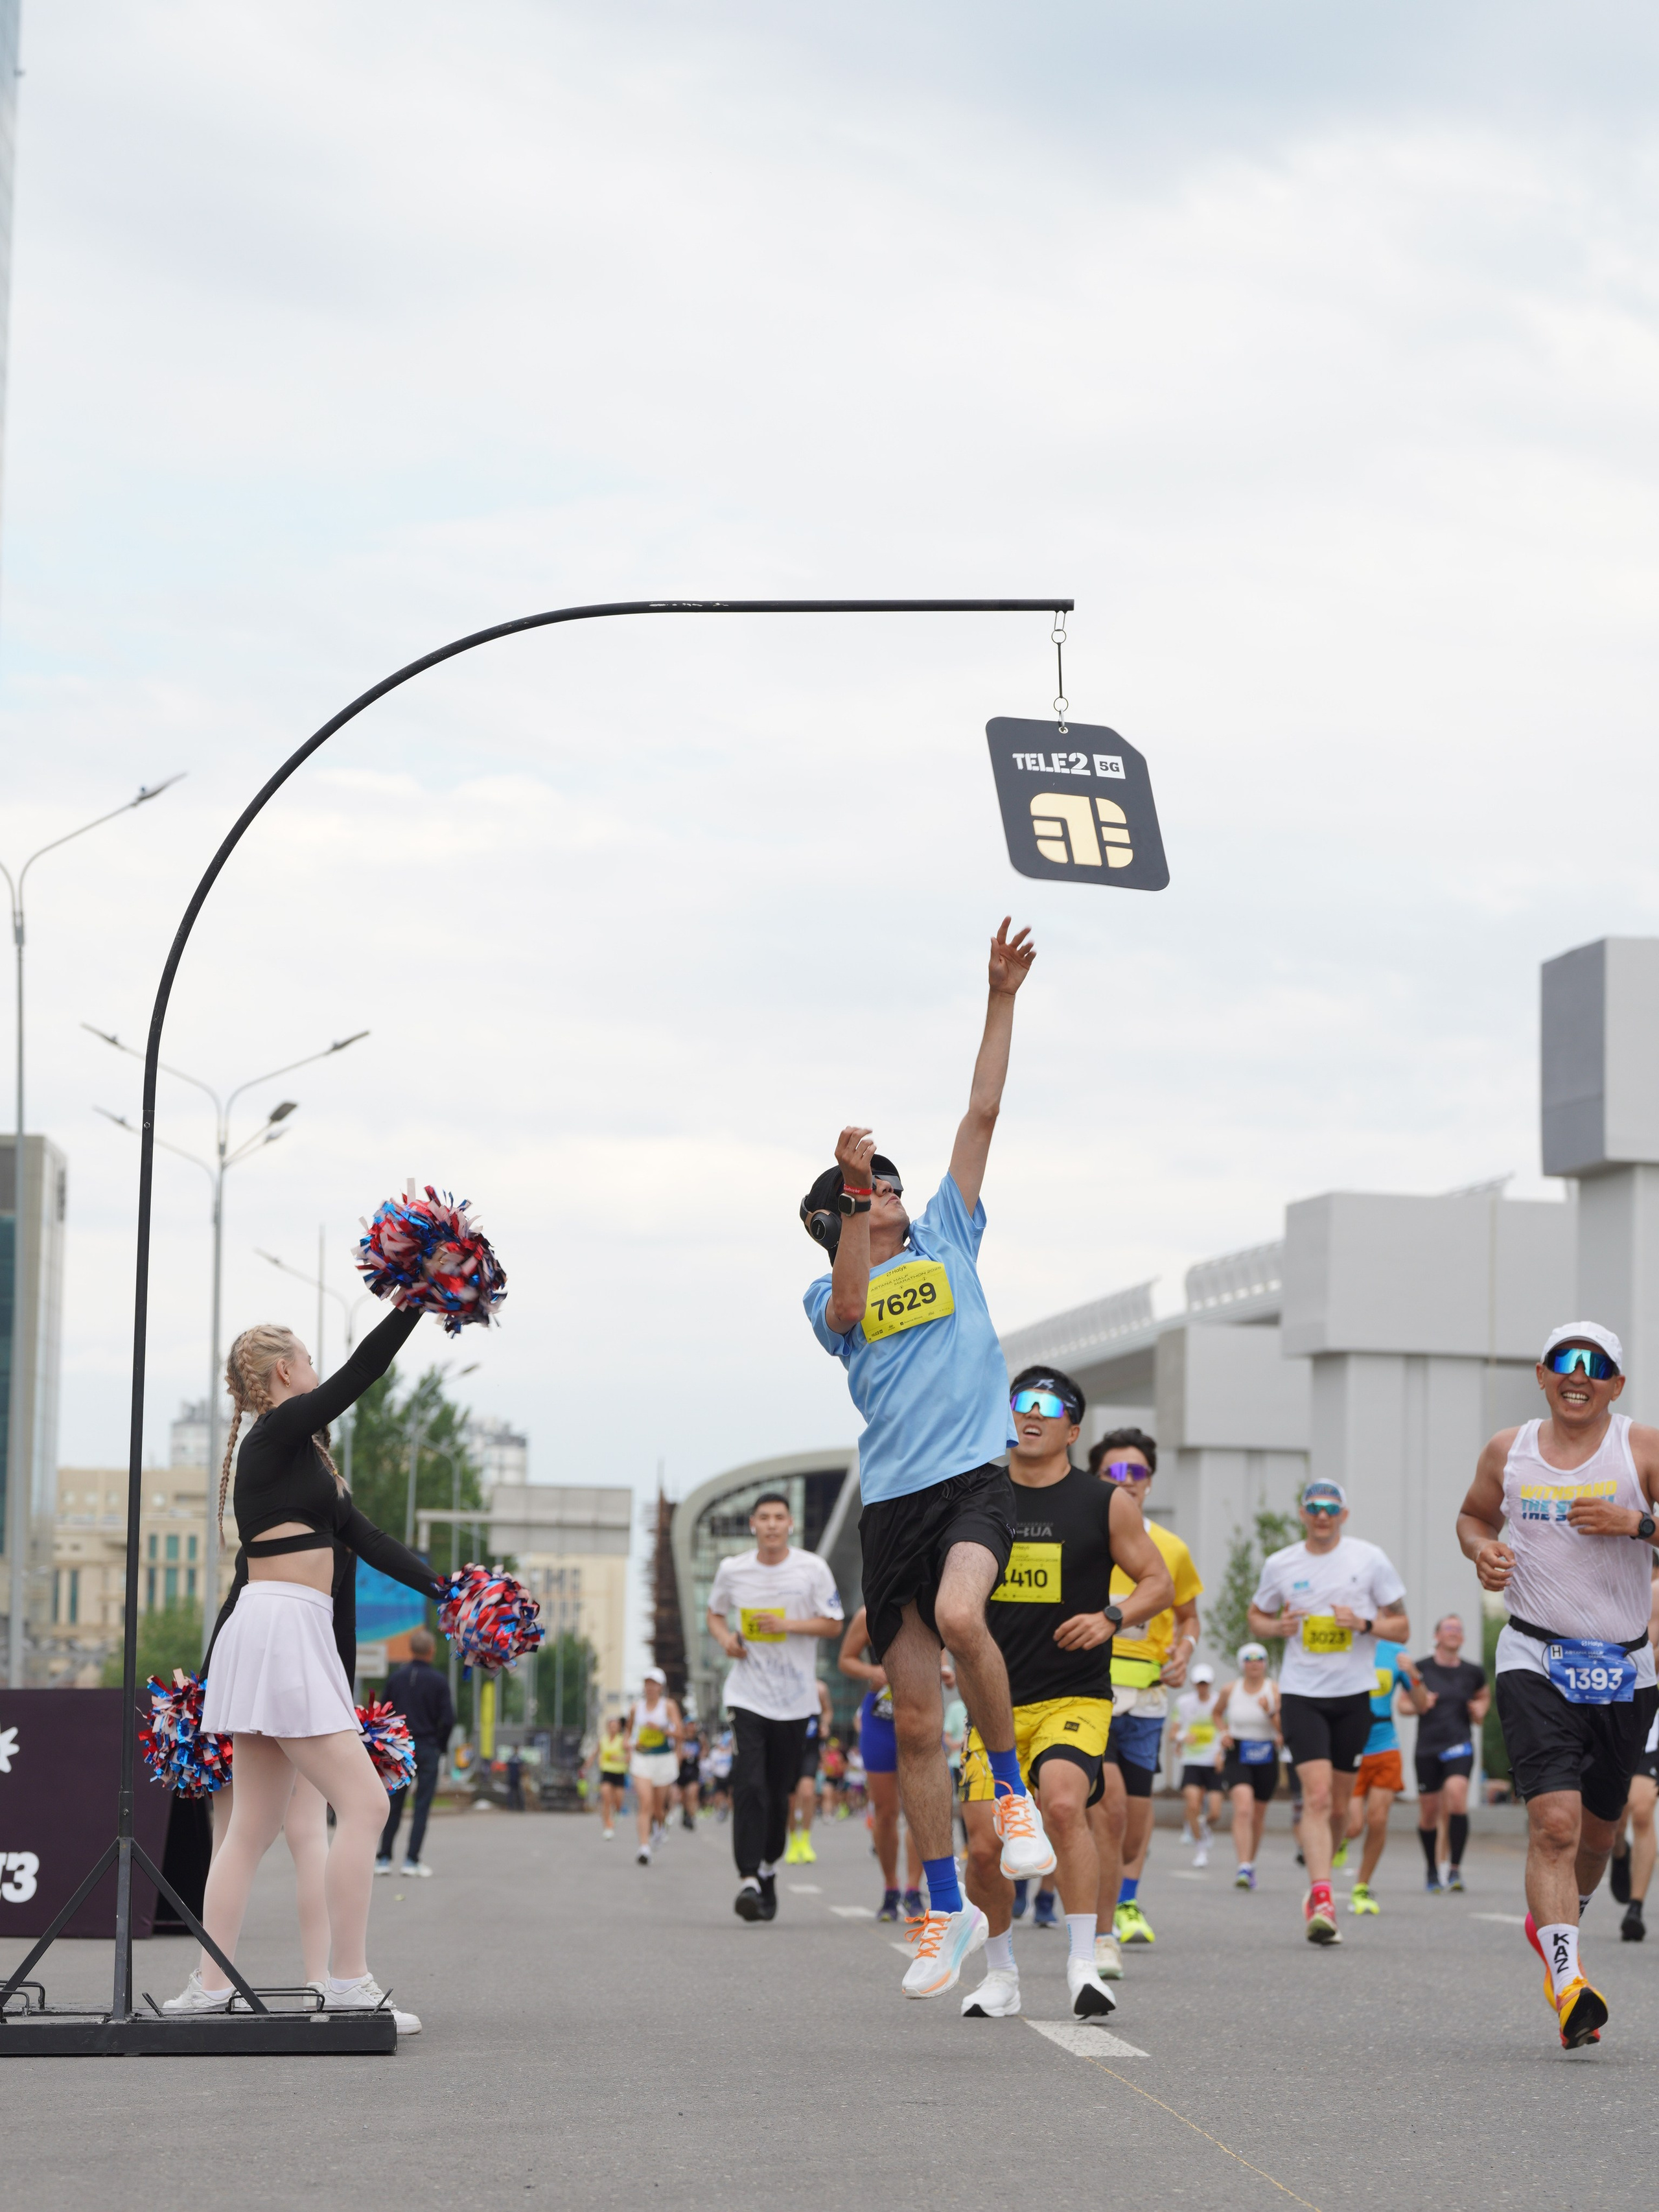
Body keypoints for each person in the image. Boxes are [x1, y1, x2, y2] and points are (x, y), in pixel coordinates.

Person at [802, 920, 1056, 2001]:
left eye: (892, 1184)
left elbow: (983, 1109)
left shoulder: (952, 1231)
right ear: (837, 1218)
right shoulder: (827, 1294)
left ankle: (1012, 1792)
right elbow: (856, 1298)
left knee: (964, 1619)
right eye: (868, 1191)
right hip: (891, 1506)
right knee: (912, 1719)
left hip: (971, 1481)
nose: (892, 1190)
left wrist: (999, 999)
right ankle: (942, 1907)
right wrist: (855, 1200)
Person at [165, 1307, 443, 2031]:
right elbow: (364, 1372)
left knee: (251, 1825)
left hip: (286, 1629)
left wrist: (451, 1589)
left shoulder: (306, 1460)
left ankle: (208, 1985)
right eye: (309, 1360)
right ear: (284, 1372)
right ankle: (347, 1979)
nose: (319, 1371)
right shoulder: (277, 1431)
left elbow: (371, 1539)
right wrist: (415, 1296)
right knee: (368, 1805)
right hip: (280, 1625)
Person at [1457, 1323, 1659, 2048]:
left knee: (1597, 1836)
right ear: (1542, 1374)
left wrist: (1637, 1522)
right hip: (1534, 1655)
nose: (1579, 1375)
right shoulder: (1506, 1449)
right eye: (1565, 1363)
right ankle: (1569, 1982)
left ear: (1616, 1383)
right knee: (1554, 1824)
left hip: (1624, 1668)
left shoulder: (1641, 1449)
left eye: (1596, 1364)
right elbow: (1473, 1515)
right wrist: (1483, 1550)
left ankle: (1558, 1919)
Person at [957, 1366, 1173, 2022]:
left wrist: (1110, 1616)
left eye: (1048, 1405)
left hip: (1074, 1694)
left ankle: (1084, 1961)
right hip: (993, 1701)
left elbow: (1157, 1582)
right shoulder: (975, 1496)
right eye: (1020, 1400)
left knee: (1060, 1801)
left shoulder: (1105, 1501)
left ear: (1072, 1429)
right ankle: (1000, 1975)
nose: (1031, 1411)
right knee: (987, 1845)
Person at [1249, 1478, 1410, 1944]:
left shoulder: (1369, 1558)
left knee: (1340, 1807)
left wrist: (1362, 1623)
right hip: (1301, 1693)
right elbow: (1256, 1615)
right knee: (1316, 1797)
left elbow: (1402, 1625)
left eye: (1331, 1508)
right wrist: (1275, 1625)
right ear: (1302, 1513)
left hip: (1353, 1695)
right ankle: (1322, 1895)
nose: (1322, 1515)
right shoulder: (1281, 1563)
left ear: (1344, 1514)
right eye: (1314, 1507)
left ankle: (1323, 1877)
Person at [1085, 1429, 1201, 1968]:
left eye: (1135, 1474)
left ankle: (1125, 1895)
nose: (1124, 1483)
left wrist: (1185, 1651)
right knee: (1103, 1809)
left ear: (1150, 1483)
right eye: (1113, 1473)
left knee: (1132, 1818)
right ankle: (1098, 1926)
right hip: (1085, 1691)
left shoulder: (1171, 1548)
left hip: (1148, 1698)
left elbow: (1188, 1617)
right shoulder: (1078, 1537)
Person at [707, 1493, 844, 1922]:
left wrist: (787, 1624)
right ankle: (748, 1877)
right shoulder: (733, 1570)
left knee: (779, 1792)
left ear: (791, 1524)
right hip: (747, 1695)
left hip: (796, 1699)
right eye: (763, 1517)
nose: (770, 1524)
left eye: (778, 1517)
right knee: (749, 1785)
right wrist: (727, 1640)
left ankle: (768, 1868)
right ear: (753, 1523)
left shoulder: (811, 1569)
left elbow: (834, 1622)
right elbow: (715, 1614)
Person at [840, 1604, 925, 1919]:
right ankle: (891, 1888)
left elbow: (941, 1655)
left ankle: (914, 1891)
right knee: (886, 1811)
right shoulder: (868, 1613)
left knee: (921, 1809)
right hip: (880, 1718)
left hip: (922, 1712)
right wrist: (871, 1672)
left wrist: (943, 1671)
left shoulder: (932, 1603)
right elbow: (845, 1659)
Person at [1341, 1637, 1424, 1915]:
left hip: (1385, 1744)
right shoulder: (1345, 1646)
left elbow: (1421, 1705)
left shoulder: (1395, 1653)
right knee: (1353, 1825)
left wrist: (1414, 1675)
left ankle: (1361, 1887)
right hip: (1351, 1744)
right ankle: (1339, 1842)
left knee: (1377, 1820)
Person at [1412, 1614, 1489, 1894]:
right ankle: (1432, 1870)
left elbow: (1483, 1695)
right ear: (1437, 1636)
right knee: (1429, 1813)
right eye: (1449, 1628)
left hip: (1459, 1744)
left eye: (1459, 1628)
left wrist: (1480, 1710)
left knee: (1457, 1796)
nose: (1454, 1632)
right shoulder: (1421, 1669)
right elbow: (1403, 1705)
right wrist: (1420, 1704)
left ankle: (1455, 1870)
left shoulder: (1473, 1671)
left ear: (1463, 1638)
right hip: (1428, 1748)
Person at [374, 1627, 456, 1878]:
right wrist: (439, 1746)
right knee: (422, 1806)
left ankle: (384, 1858)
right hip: (428, 1747)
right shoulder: (439, 1681)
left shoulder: (397, 1678)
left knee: (394, 1804)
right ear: (432, 1651)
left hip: (401, 1750)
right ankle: (411, 1861)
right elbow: (449, 1719)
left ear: (411, 1649)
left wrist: (387, 1746)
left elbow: (384, 1713)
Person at [1609, 1569, 1659, 1940]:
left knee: (1642, 1809)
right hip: (1640, 1714)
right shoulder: (1653, 1593)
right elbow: (1647, 1664)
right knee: (1615, 1815)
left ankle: (1636, 1909)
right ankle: (1618, 1851)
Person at [1216, 1643, 1281, 1887]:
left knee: (1258, 1815)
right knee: (1243, 1808)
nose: (1255, 1663)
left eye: (1260, 1659)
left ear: (1265, 1663)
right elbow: (1217, 1713)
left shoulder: (1273, 1690)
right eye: (1249, 1659)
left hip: (1266, 1752)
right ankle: (1243, 1866)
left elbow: (1285, 1730)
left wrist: (1270, 1711)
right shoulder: (1230, 1689)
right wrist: (1223, 1732)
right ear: (1242, 1664)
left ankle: (1250, 1864)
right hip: (1238, 1752)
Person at [625, 1668, 682, 1865]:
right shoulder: (636, 1708)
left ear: (661, 1687)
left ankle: (659, 1826)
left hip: (663, 1758)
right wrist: (628, 1745)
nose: (650, 1687)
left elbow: (680, 1733)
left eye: (654, 1684)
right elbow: (629, 1731)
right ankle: (644, 1847)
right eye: (647, 1683)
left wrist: (663, 1729)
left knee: (658, 1807)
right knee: (645, 1803)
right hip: (642, 1759)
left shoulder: (668, 1706)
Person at [1174, 1664, 1222, 1867]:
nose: (1203, 1687)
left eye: (1206, 1683)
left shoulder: (1219, 1702)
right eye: (1199, 1683)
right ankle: (1200, 1849)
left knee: (1215, 1812)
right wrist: (1184, 1737)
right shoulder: (1184, 1703)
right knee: (1193, 1805)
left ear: (1210, 1684)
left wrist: (1222, 1754)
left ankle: (1202, 1827)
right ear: (1194, 1684)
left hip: (1213, 1761)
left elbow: (1226, 1729)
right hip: (1192, 1761)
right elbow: (1173, 1732)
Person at [786, 1680, 834, 1863]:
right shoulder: (785, 1684)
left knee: (807, 1793)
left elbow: (828, 1711)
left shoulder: (819, 1688)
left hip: (810, 1749)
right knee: (790, 1801)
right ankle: (793, 1842)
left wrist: (825, 1725)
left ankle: (806, 1840)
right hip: (788, 1748)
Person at [594, 1716, 629, 1837]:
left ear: (619, 1728)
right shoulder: (603, 1740)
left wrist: (619, 1758)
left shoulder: (623, 1740)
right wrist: (587, 1765)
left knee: (618, 1800)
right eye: (611, 1726)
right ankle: (608, 1826)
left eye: (615, 1726)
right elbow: (596, 1753)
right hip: (607, 1772)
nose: (613, 1728)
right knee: (606, 1798)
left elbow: (629, 1757)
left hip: (619, 1773)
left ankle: (618, 1811)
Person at [677, 1718, 705, 1833]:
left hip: (694, 1770)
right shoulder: (682, 1739)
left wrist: (701, 1755)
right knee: (683, 1797)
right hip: (683, 1770)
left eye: (693, 1725)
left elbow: (704, 1750)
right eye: (689, 1724)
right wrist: (682, 1756)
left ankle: (691, 1818)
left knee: (692, 1793)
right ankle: (686, 1813)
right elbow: (677, 1752)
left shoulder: (699, 1739)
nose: (691, 1727)